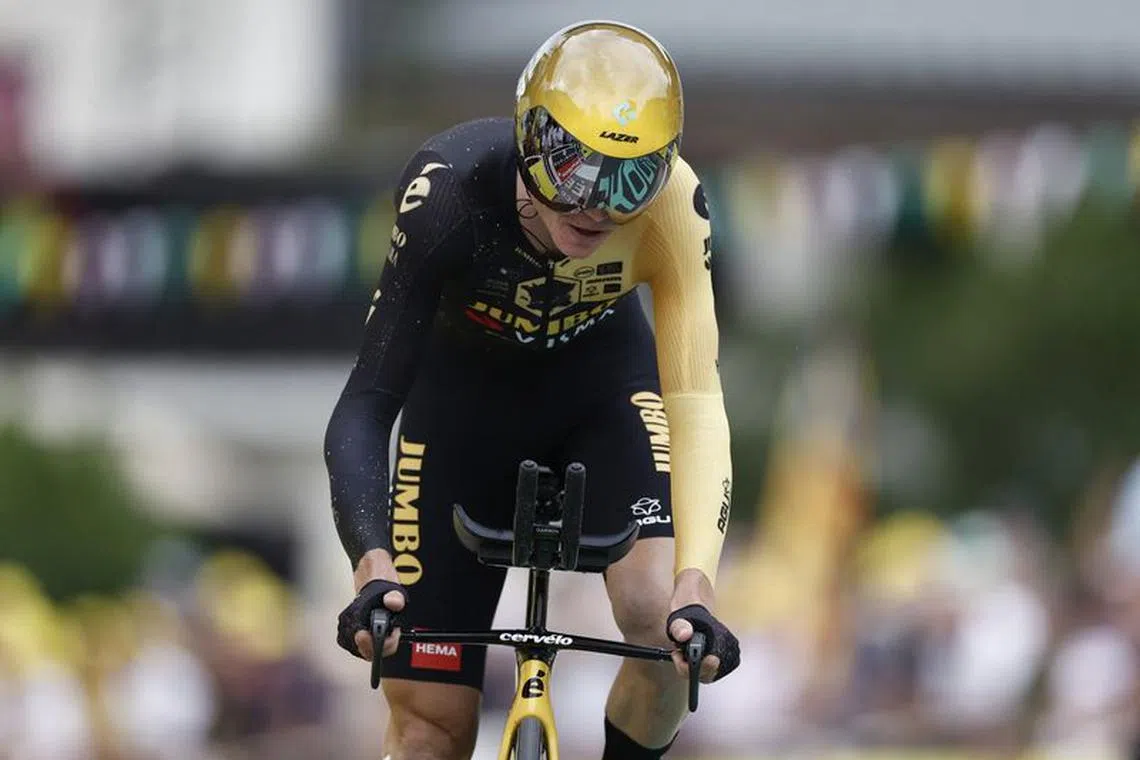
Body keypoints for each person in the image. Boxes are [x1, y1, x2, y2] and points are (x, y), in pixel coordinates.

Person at [325, 19, 741, 759]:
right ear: (527, 137)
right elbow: (366, 404)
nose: (598, 205)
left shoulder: (676, 207)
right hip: (459, 416)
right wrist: (371, 563)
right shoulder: (447, 196)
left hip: (600, 394)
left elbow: (698, 405)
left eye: (630, 178)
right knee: (430, 725)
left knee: (661, 623)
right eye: (571, 169)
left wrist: (697, 585)